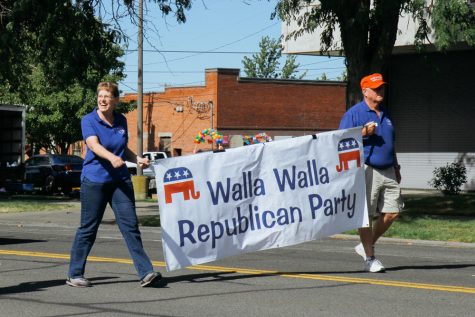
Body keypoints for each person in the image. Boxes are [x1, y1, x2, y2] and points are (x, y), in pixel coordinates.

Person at [67, 82, 163, 287]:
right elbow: (93, 145)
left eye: (107, 97)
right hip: (95, 181)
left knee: (130, 226)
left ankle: (146, 272)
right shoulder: (89, 120)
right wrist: (111, 158)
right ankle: (75, 273)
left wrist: (137, 158)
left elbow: (123, 148)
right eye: (99, 96)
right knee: (88, 228)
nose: (102, 100)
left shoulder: (121, 120)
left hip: (119, 181)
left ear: (116, 100)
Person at [339, 73, 403, 273]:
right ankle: (370, 257)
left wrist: (396, 165)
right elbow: (340, 140)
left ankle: (365, 245)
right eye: (376, 89)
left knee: (393, 212)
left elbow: (391, 143)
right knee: (365, 215)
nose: (380, 91)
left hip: (389, 169)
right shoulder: (354, 113)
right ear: (365, 91)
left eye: (382, 88)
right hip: (367, 168)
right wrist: (363, 133)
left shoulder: (385, 113)